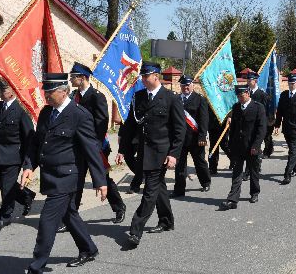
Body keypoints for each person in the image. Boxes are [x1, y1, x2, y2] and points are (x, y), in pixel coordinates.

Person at [20, 72, 108, 273]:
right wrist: (28, 166)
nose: (47, 96)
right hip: (49, 174)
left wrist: (100, 180)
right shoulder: (46, 113)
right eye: (46, 92)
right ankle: (88, 248)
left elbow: (91, 150)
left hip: (67, 176)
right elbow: (36, 143)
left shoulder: (79, 115)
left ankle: (36, 265)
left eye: (51, 92)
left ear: (64, 91)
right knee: (69, 214)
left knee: (48, 220)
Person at [116, 62, 185, 248]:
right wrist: (123, 148)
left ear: (156, 76)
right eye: (142, 76)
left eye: (146, 76)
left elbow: (180, 129)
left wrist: (174, 154)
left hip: (161, 153)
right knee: (159, 187)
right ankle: (166, 220)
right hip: (144, 152)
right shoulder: (138, 97)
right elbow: (130, 124)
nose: (143, 80)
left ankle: (135, 231)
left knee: (149, 191)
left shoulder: (171, 98)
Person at [68, 62, 126, 226]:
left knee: (102, 179)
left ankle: (119, 207)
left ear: (82, 78)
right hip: (77, 146)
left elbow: (102, 122)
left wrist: (93, 143)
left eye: (73, 77)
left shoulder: (97, 96)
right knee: (76, 180)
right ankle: (72, 215)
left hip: (96, 146)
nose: (71, 80)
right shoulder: (73, 96)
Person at [0, 79, 36, 229]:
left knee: (7, 187)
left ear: (12, 90)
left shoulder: (21, 110)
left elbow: (29, 138)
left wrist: (27, 162)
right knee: (0, 183)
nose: (0, 92)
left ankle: (5, 215)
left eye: (3, 90)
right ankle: (26, 196)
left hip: (13, 156)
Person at [219, 85, 267, 210]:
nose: (240, 98)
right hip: (238, 147)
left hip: (252, 147)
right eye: (238, 96)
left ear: (248, 93)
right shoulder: (236, 107)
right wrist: (231, 144)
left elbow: (262, 129)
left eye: (242, 95)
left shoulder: (258, 108)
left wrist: (256, 145)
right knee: (237, 173)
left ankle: (254, 193)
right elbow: (234, 128)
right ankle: (232, 200)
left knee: (253, 171)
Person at [172, 74, 211, 197]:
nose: (185, 87)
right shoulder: (176, 99)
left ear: (192, 85)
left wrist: (202, 136)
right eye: (183, 85)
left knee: (199, 162)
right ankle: (179, 190)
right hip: (179, 139)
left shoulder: (200, 99)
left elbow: (204, 120)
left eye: (187, 85)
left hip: (195, 138)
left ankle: (206, 182)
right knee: (179, 165)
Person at [274, 74, 296, 184]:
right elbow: (279, 112)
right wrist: (277, 125)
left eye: (293, 83)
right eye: (290, 83)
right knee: (293, 148)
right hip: (286, 127)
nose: (291, 85)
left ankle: (287, 174)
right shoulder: (284, 95)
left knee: (293, 150)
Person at [207, 108, 230, 175]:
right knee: (213, 146)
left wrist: (230, 116)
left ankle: (234, 160)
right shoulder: (207, 97)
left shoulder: (226, 96)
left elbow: (229, 105)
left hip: (223, 122)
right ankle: (212, 168)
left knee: (224, 144)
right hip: (212, 123)